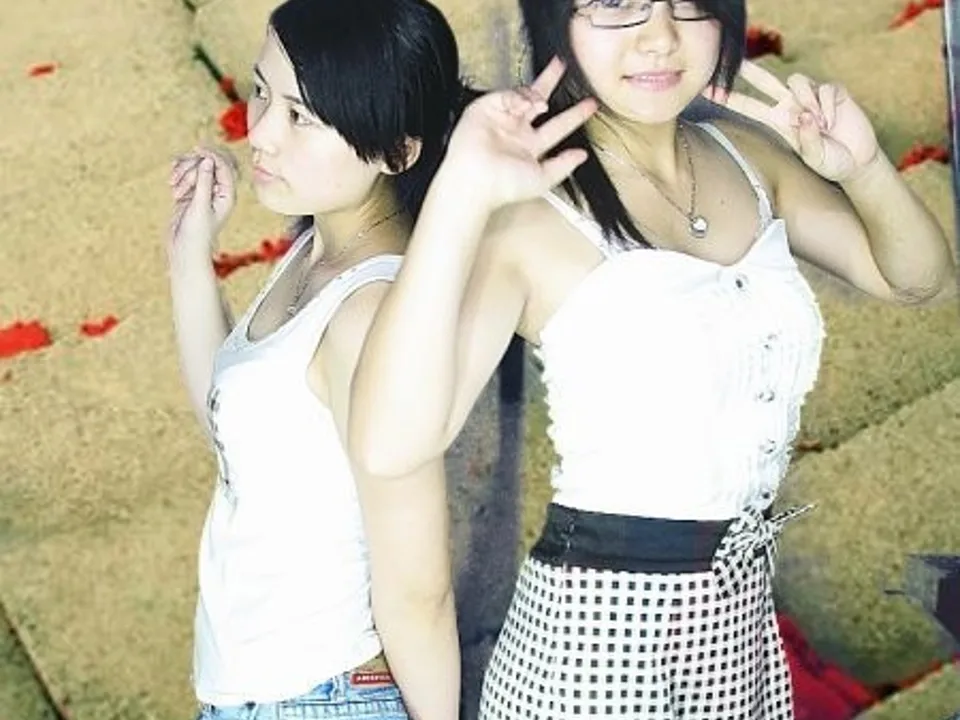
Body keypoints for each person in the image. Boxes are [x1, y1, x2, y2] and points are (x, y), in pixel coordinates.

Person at [347, 0, 956, 718]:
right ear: (555, 20)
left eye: (688, 4)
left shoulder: (749, 158)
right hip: (597, 638)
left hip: (739, 628)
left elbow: (914, 279)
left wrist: (865, 167)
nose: (660, 37)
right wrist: (458, 196)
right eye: (617, 4)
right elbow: (388, 445)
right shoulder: (527, 214)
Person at [165, 0, 470, 717]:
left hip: (321, 697)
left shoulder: (369, 312)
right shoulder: (318, 251)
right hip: (265, 693)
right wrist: (188, 253)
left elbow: (417, 589)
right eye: (261, 91)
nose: (261, 132)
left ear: (398, 150)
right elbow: (240, 436)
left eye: (301, 116)